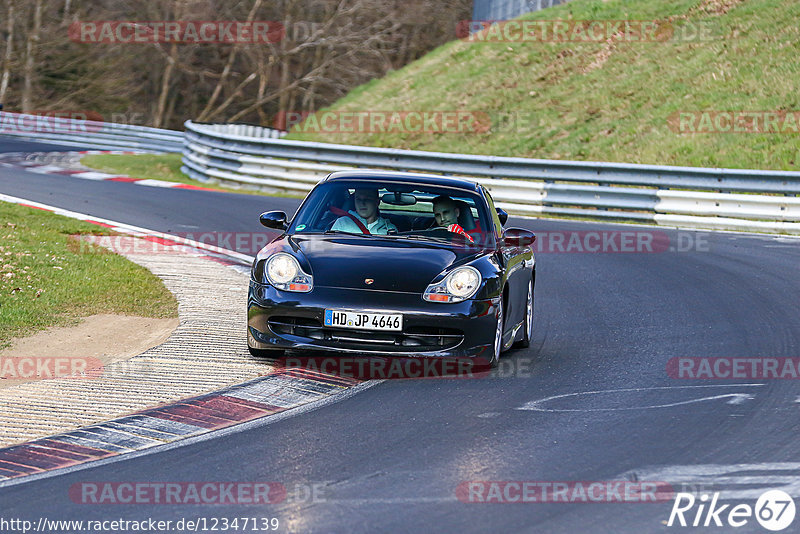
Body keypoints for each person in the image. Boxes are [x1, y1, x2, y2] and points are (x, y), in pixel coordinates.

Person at [331, 187, 397, 235]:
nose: (362, 203)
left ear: (377, 202)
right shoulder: (342, 223)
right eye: (358, 199)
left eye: (368, 199)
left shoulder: (390, 229)